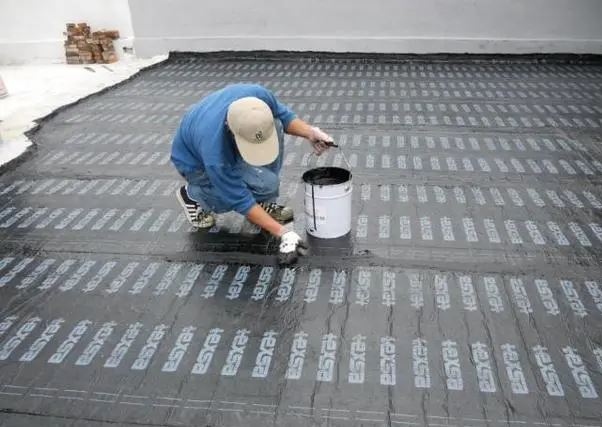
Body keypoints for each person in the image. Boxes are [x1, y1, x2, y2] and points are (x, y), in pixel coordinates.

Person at [171, 83, 334, 263]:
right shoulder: (215, 153)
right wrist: (284, 233)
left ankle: (263, 202)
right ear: (230, 129)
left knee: (276, 125)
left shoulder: (257, 95)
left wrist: (310, 132)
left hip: (220, 141)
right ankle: (193, 195)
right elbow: (238, 198)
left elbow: (284, 116)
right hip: (195, 164)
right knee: (254, 187)